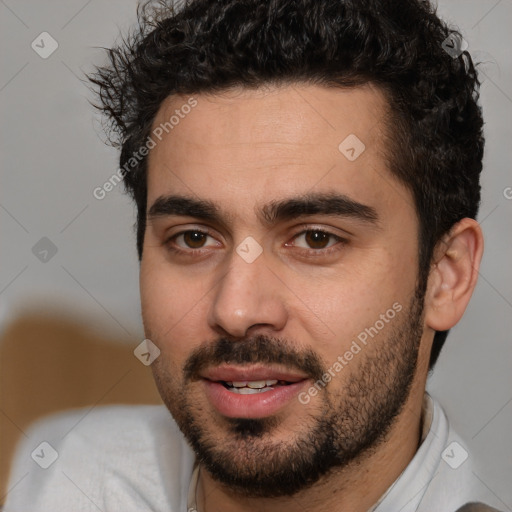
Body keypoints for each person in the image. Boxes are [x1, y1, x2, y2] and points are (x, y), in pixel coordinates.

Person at [4, 0, 504, 511]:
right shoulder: (67, 476)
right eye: (194, 238)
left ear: (447, 275)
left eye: (315, 239)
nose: (236, 311)